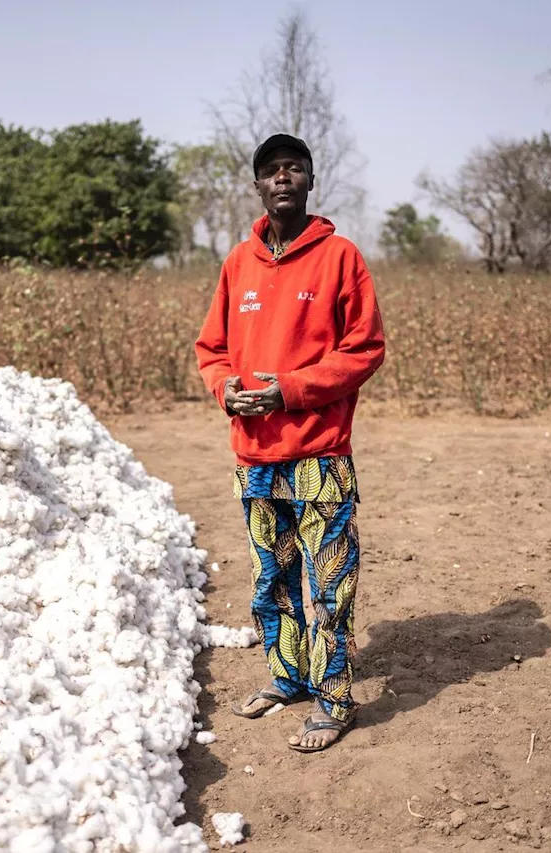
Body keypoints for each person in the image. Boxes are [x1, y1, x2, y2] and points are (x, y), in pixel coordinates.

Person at [194, 133, 386, 752]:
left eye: (294, 169)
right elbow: (211, 351)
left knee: (329, 584)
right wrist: (227, 391)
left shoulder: (341, 258)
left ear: (309, 182)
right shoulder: (237, 264)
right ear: (257, 185)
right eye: (272, 171)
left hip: (320, 455)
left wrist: (291, 390)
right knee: (272, 578)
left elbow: (365, 349)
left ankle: (333, 701)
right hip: (255, 457)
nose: (283, 178)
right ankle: (287, 678)